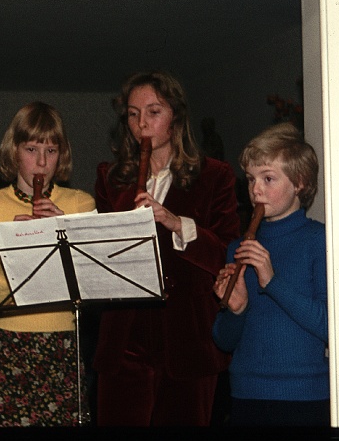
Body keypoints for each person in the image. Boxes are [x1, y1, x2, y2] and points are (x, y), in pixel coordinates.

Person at [92, 70, 241, 426]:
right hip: (124, 342)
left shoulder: (215, 176)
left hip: (189, 343)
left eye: (153, 111)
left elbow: (226, 252)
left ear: (176, 116)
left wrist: (177, 223)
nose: (141, 123)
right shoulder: (111, 179)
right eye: (132, 113)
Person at [0, 101, 96, 426]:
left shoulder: (80, 203)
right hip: (7, 343)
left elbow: (90, 285)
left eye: (51, 150)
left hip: (64, 344)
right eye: (31, 149)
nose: (42, 162)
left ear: (62, 154)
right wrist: (19, 241)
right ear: (14, 152)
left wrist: (63, 230)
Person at [213, 122, 329, 427]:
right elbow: (224, 341)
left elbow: (330, 326)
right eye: (251, 179)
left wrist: (271, 281)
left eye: (268, 178)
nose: (255, 189)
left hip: (306, 398)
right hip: (246, 394)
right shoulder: (239, 248)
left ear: (300, 183)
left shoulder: (320, 240)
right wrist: (237, 310)